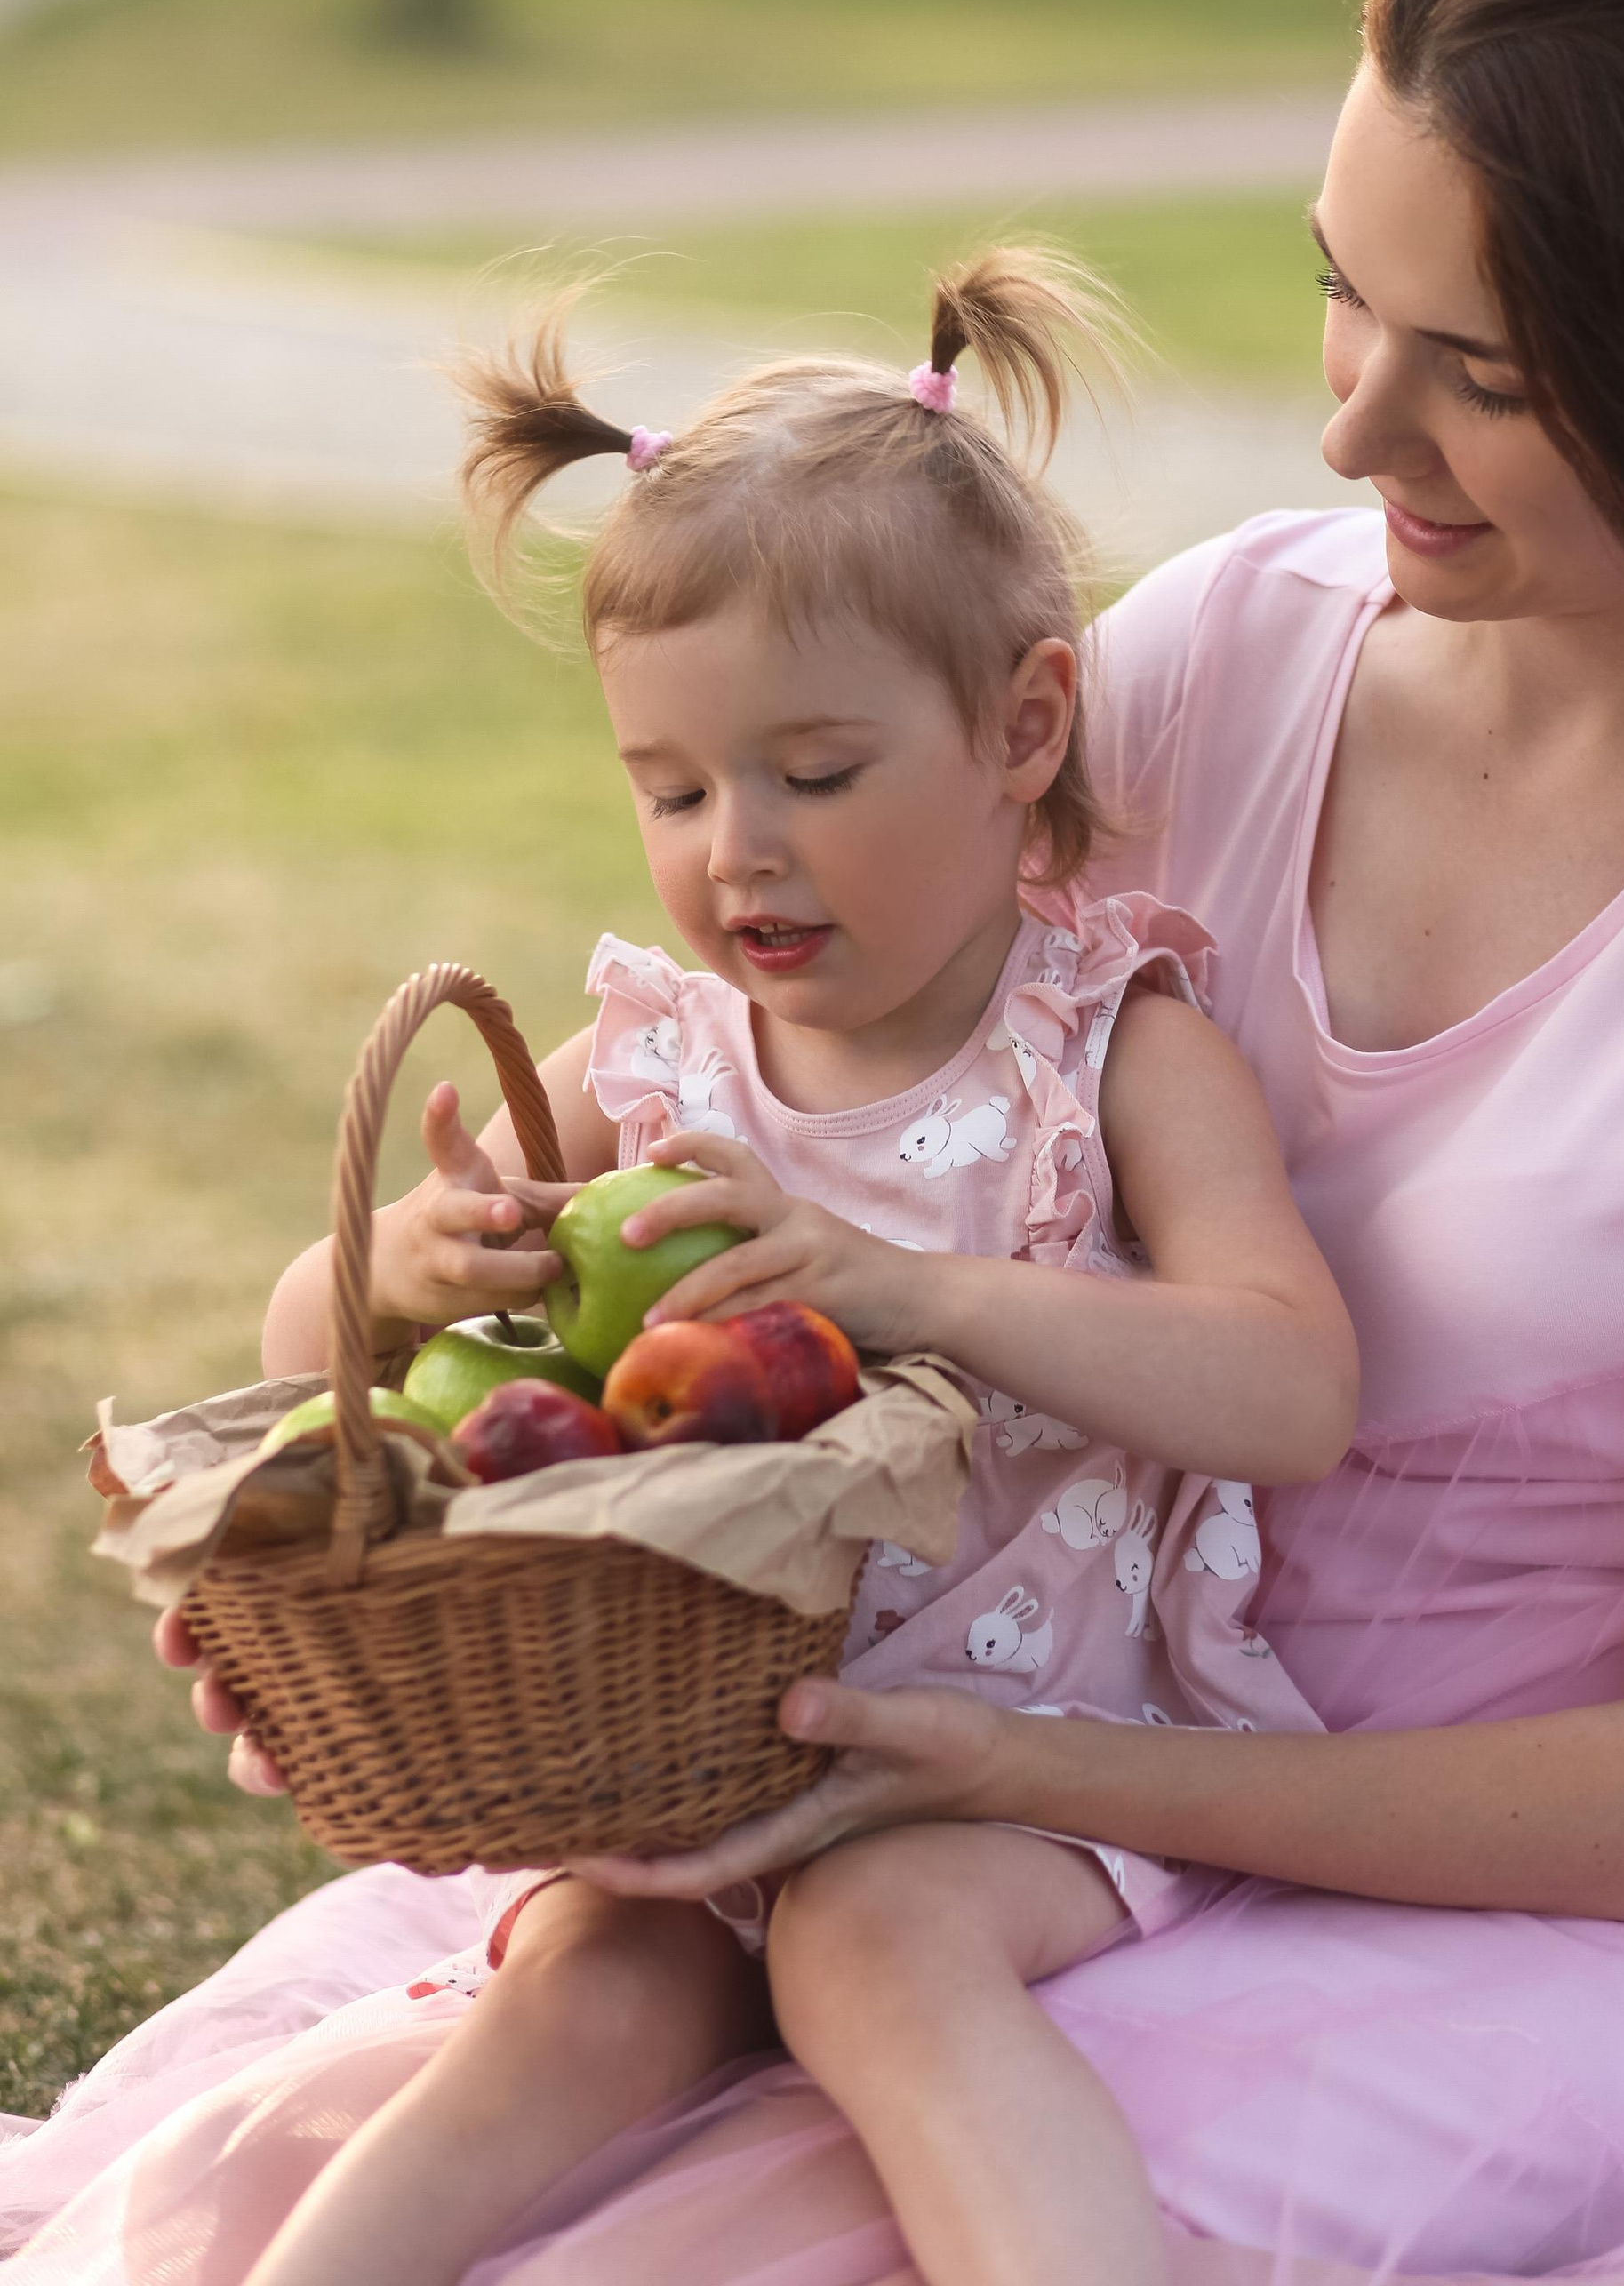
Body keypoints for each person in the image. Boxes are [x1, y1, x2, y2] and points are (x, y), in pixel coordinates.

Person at [10, 0, 1624, 2283]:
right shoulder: (1223, 660)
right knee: (313, 2188)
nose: (1349, 434)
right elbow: (681, 1138)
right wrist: (433, 1560)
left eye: (1480, 375)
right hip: (950, 1812)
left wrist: (1008, 1777)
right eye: (1340, 293)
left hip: (1502, 1920)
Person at [142, 250, 1357, 2286]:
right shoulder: (653, 1061)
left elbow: (1289, 1391)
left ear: (1020, 723)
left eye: (813, 772)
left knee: (877, 1952)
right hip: (678, 1751)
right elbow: (306, 1360)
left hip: (1014, 1771)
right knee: (583, 1989)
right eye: (674, 788)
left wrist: (911, 1286)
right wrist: (404, 1276)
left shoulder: (1106, 1048)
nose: (737, 851)